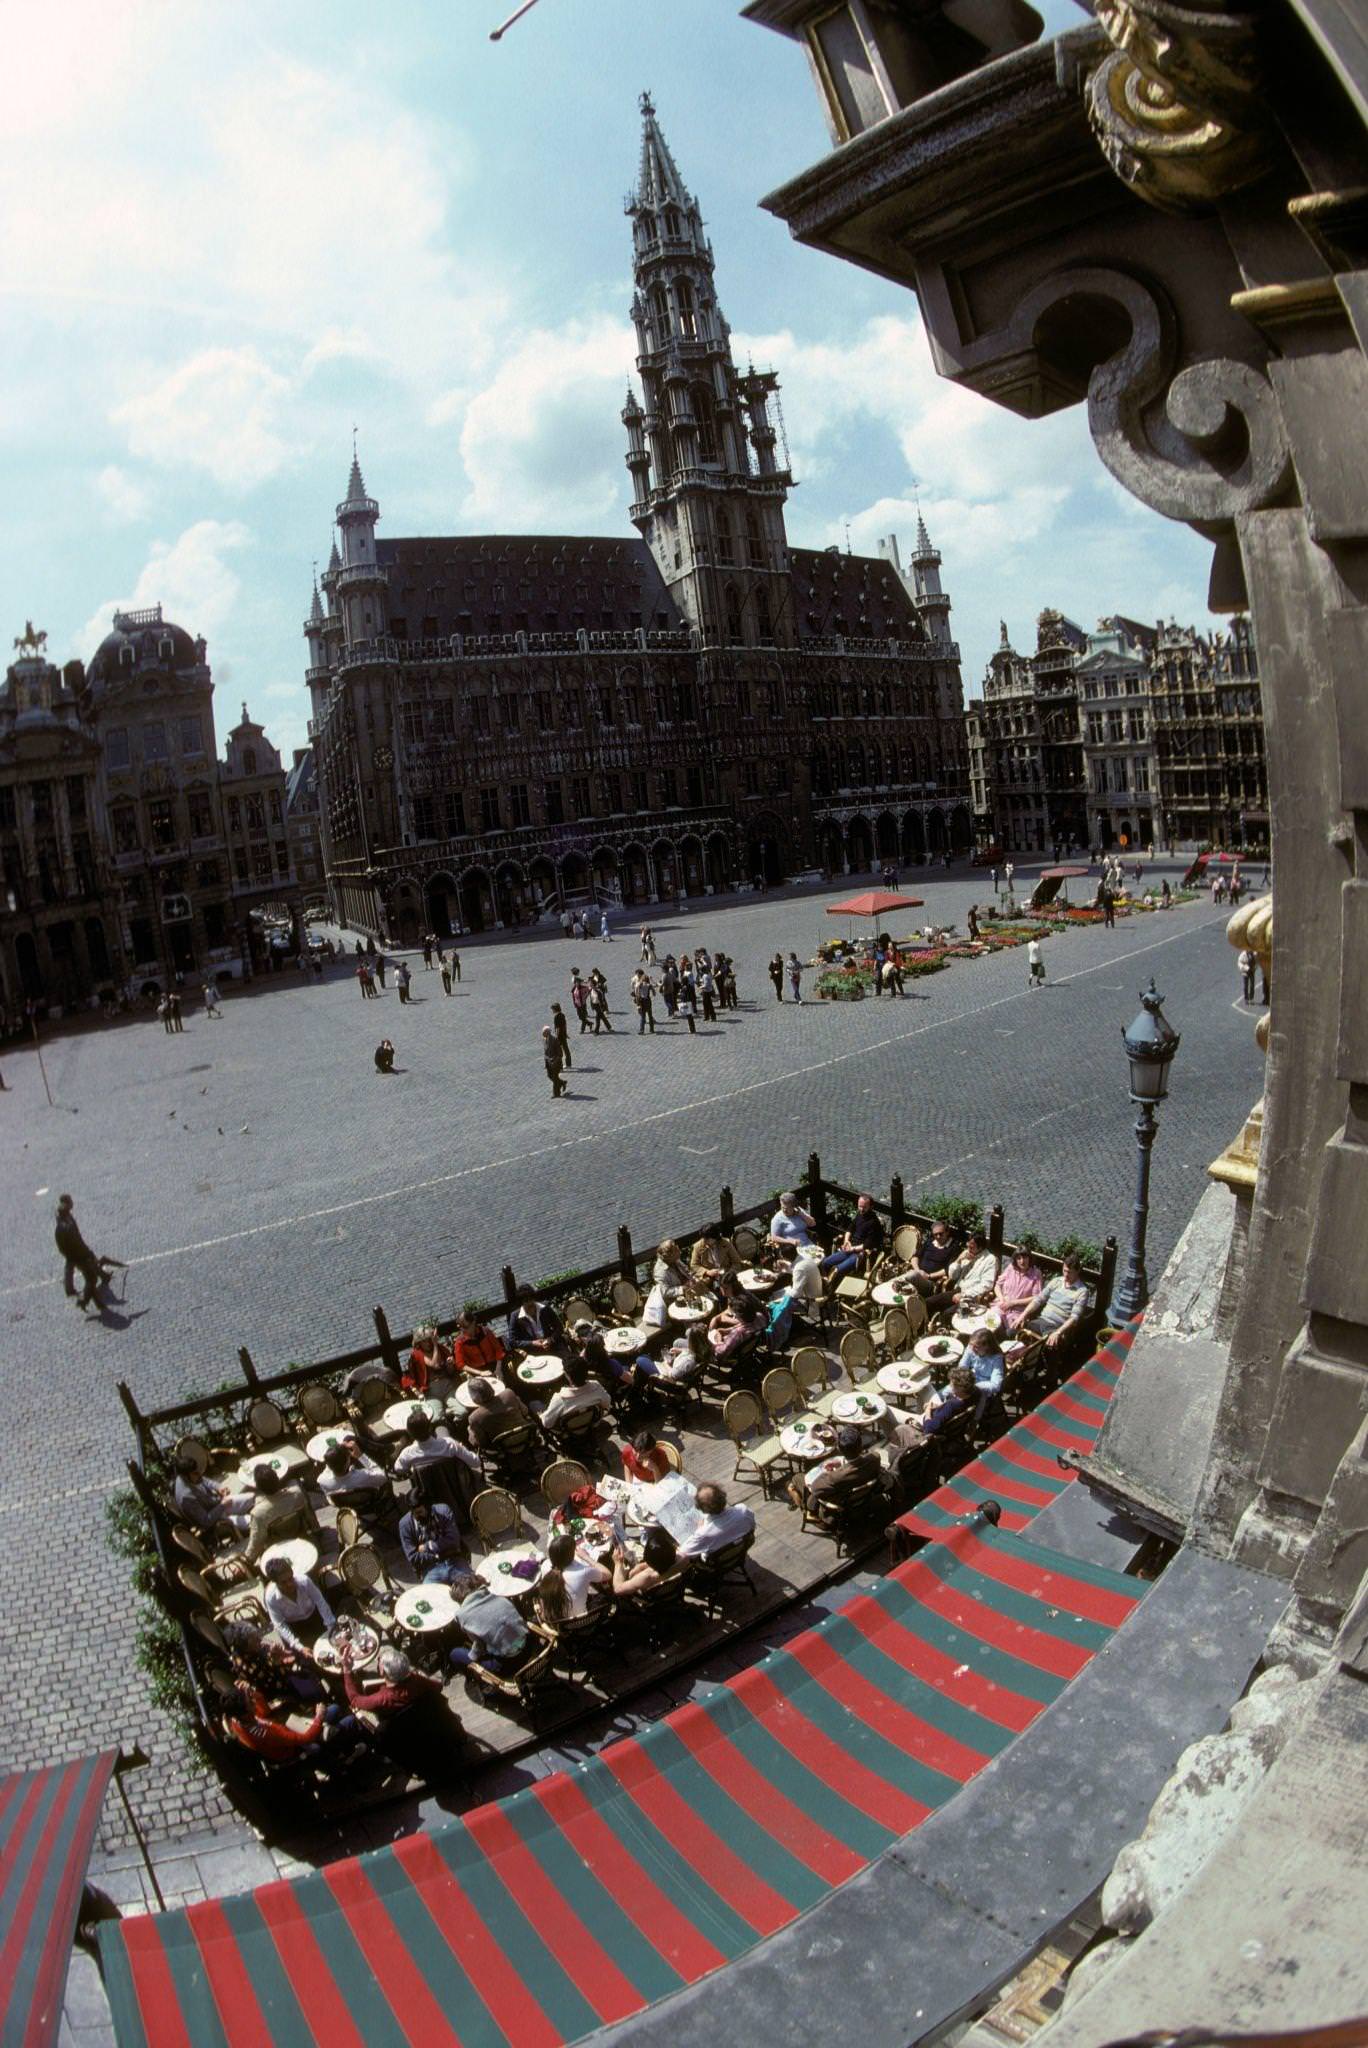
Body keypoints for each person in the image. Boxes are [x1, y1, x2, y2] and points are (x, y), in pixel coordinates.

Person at [448, 1572, 531, 1674]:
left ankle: (473, 1678)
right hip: (528, 1647)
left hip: (509, 1664)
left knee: (455, 1654)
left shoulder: (463, 1615)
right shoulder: (497, 1596)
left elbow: (479, 1646)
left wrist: (472, 1657)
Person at [787, 1425, 881, 1509]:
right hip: (863, 1493)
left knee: (795, 1479)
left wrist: (826, 1473)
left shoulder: (834, 1477)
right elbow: (856, 1465)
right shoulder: (875, 1458)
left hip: (839, 1502)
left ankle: (801, 1505)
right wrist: (842, 1464)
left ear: (840, 1449)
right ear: (860, 1446)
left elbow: (815, 1489)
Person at [1020, 1254, 1094, 1356]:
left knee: (1048, 1345)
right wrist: (1023, 1314)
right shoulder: (1056, 1281)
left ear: (1077, 1272)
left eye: (1069, 1272)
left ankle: (1039, 1370)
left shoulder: (1082, 1291)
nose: (1066, 1275)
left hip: (1056, 1327)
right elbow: (1038, 1299)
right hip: (1041, 1321)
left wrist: (1058, 1332)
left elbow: (1074, 1318)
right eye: (1064, 1270)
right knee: (1019, 1334)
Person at [262, 1555, 335, 1656]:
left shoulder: (304, 1581)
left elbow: (320, 1602)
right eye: (283, 1582)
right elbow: (280, 1625)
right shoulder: (271, 1597)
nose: (290, 1584)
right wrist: (299, 1647)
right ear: (275, 1582)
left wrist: (331, 1627)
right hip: (296, 1629)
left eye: (290, 1578)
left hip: (316, 1618)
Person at [539, 1531, 611, 1622]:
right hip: (582, 1622)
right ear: (572, 1554)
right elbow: (608, 1574)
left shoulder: (545, 1566)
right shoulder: (583, 1571)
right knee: (603, 1595)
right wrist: (586, 1557)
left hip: (559, 1625)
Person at [244, 1464, 311, 1560]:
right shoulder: (297, 1493)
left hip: (278, 1551)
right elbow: (308, 1516)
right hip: (301, 1538)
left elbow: (256, 1543)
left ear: (258, 1487)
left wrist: (246, 1561)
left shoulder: (258, 1513)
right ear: (278, 1479)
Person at [172, 1454, 250, 1535]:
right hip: (215, 1519)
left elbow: (205, 1481)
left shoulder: (187, 1476)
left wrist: (219, 1488)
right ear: (185, 1476)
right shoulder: (186, 1498)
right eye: (195, 1473)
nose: (199, 1474)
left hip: (218, 1504)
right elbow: (206, 1521)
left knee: (252, 1497)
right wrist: (222, 1505)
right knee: (251, 1520)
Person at [53, 1195, 107, 1309]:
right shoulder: (67, 1226)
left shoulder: (64, 1222)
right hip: (78, 1255)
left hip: (74, 1254)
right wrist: (86, 1253)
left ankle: (97, 1302)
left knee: (90, 1276)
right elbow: (76, 1242)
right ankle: (84, 1301)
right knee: (91, 1278)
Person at [676, 1482, 755, 1559]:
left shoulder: (703, 1534)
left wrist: (699, 1529)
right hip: (739, 1551)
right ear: (723, 1496)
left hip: (716, 1564)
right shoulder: (743, 1510)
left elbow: (682, 1553)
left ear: (702, 1510)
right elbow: (752, 1526)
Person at [820, 1192, 884, 1279]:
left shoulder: (873, 1223)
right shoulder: (859, 1214)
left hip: (860, 1253)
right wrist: (846, 1241)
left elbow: (867, 1245)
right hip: (850, 1247)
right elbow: (849, 1229)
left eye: (864, 1207)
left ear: (871, 1207)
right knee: (825, 1263)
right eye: (859, 1206)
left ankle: (831, 1285)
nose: (861, 1209)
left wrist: (852, 1249)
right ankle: (826, 1283)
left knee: (837, 1270)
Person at [398, 1499, 466, 1578]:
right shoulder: (405, 1525)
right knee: (431, 1590)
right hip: (429, 1568)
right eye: (414, 1513)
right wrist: (436, 1557)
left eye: (420, 1512)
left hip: (454, 1559)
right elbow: (413, 1558)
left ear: (428, 1508)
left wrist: (427, 1546)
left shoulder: (443, 1511)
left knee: (471, 1585)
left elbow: (453, 1540)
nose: (417, 1517)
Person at [540, 1357, 612, 1431]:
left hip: (569, 1434)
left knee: (537, 1406)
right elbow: (607, 1403)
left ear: (567, 1375)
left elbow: (547, 1424)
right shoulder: (596, 1386)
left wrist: (541, 1415)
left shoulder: (560, 1399)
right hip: (592, 1425)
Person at [465, 1376, 532, 1452]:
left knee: (470, 1430)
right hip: (527, 1436)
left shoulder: (474, 1417)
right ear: (490, 1388)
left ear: (474, 1399)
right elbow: (525, 1411)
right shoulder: (508, 1393)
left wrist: (471, 1432)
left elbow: (481, 1442)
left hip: (505, 1448)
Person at [316, 1439, 389, 1508]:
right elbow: (383, 1477)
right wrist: (361, 1456)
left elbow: (328, 1468)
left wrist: (333, 1454)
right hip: (372, 1504)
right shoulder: (363, 1476)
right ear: (347, 1462)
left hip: (348, 1507)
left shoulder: (322, 1480)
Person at [610, 1524, 678, 1596]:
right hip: (674, 1584)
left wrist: (618, 1563)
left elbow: (618, 1590)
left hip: (654, 1595)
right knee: (635, 1570)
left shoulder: (647, 1577)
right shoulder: (682, 1558)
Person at [944, 1230, 1000, 1312]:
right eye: (968, 1245)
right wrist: (958, 1260)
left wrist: (964, 1294)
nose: (968, 1249)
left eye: (971, 1247)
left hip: (970, 1297)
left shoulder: (990, 1260)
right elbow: (952, 1276)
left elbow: (987, 1285)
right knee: (929, 1302)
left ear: (980, 1248)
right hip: (956, 1290)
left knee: (946, 1314)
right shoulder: (967, 1254)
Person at [993, 1247, 1046, 1331]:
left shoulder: (1036, 1274)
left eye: (1025, 1257)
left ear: (1029, 1258)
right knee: (991, 1323)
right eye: (1019, 1258)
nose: (1022, 1261)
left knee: (1009, 1331)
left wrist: (1013, 1303)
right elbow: (997, 1286)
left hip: (1018, 1312)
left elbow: (1036, 1297)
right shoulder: (1011, 1268)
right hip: (1002, 1306)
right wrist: (1002, 1299)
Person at [906, 1217, 959, 1298]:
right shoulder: (930, 1242)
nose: (938, 1236)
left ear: (947, 1232)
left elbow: (948, 1269)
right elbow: (915, 1257)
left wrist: (929, 1276)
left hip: (931, 1282)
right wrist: (918, 1271)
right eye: (935, 1234)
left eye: (941, 1234)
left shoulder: (953, 1247)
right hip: (918, 1273)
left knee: (909, 1277)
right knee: (896, 1282)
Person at [960, 1325, 1006, 1416]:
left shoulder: (996, 1358)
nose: (972, 1349)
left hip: (984, 1387)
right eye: (971, 1345)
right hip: (970, 1380)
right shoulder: (971, 1347)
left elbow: (995, 1385)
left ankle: (974, 1421)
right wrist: (962, 1379)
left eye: (976, 1346)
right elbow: (962, 1366)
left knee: (962, 1404)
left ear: (987, 1346)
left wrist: (975, 1386)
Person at [508, 1285, 563, 1355]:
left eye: (531, 1299)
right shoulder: (515, 1316)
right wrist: (532, 1343)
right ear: (521, 1303)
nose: (530, 1303)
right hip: (533, 1352)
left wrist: (551, 1339)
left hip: (553, 1345)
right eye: (526, 1301)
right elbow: (512, 1341)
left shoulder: (545, 1308)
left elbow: (559, 1327)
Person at [453, 1313, 505, 1378]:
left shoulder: (486, 1331)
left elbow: (498, 1350)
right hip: (477, 1371)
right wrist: (480, 1373)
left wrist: (498, 1369)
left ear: (473, 1322)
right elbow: (460, 1364)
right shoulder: (459, 1342)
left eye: (465, 1327)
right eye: (460, 1327)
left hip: (495, 1365)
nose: (463, 1330)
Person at [768, 1190, 817, 1259]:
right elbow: (774, 1237)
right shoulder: (777, 1219)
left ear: (794, 1206)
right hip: (792, 1249)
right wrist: (791, 1241)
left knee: (819, 1257)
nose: (784, 1210)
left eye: (787, 1208)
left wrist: (801, 1214)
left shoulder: (798, 1211)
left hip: (807, 1244)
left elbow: (813, 1223)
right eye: (782, 1207)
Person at [543, 1022, 567, 1097]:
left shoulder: (554, 1040)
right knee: (550, 1076)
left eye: (544, 1032)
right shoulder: (545, 1039)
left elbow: (560, 1052)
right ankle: (562, 1083)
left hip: (555, 1062)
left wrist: (555, 1060)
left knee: (554, 1077)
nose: (542, 1034)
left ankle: (556, 1093)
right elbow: (546, 1052)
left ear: (548, 1032)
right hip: (549, 1063)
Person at [631, 968, 656, 1034]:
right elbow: (654, 992)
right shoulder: (649, 985)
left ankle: (642, 1030)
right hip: (648, 1001)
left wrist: (637, 1003)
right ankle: (651, 1029)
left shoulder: (639, 985)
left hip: (642, 1001)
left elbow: (637, 994)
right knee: (650, 1015)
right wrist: (651, 979)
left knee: (643, 1016)